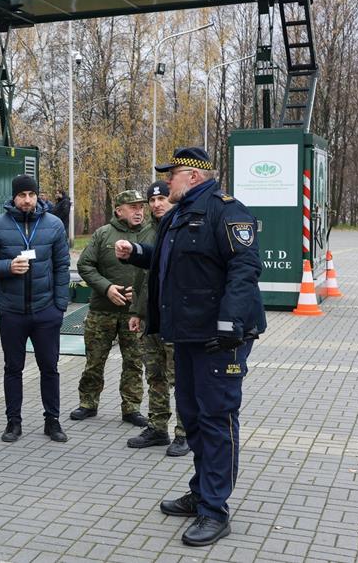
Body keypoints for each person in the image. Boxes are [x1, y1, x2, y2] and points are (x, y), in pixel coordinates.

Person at [115, 146, 266, 548]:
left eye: (173, 175)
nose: (166, 182)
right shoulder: (178, 215)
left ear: (194, 177)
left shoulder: (226, 210)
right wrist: (141, 253)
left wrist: (230, 323)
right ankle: (201, 492)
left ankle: (215, 511)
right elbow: (176, 263)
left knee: (217, 419)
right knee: (194, 416)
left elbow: (245, 268)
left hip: (220, 337)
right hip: (187, 335)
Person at [0, 174, 70, 444]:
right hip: (12, 311)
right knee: (12, 368)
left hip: (46, 311)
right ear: (14, 197)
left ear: (37, 196)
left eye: (31, 194)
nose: (27, 200)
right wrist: (7, 267)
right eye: (22, 195)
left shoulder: (53, 224)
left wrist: (59, 306)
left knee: (49, 368)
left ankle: (52, 421)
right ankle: (13, 422)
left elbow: (62, 266)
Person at [69, 189, 151, 428]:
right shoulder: (103, 234)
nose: (139, 211)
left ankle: (131, 408)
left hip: (134, 314)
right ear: (119, 210)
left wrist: (137, 295)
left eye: (141, 207)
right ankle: (88, 403)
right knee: (94, 360)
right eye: (133, 207)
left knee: (134, 362)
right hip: (101, 310)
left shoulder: (150, 235)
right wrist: (107, 288)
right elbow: (85, 265)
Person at [126, 181, 189, 455]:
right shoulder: (148, 232)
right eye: (152, 200)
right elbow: (142, 279)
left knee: (181, 379)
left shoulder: (182, 228)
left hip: (175, 319)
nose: (156, 204)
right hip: (151, 317)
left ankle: (185, 433)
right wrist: (136, 313)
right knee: (155, 375)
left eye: (162, 198)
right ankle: (157, 427)